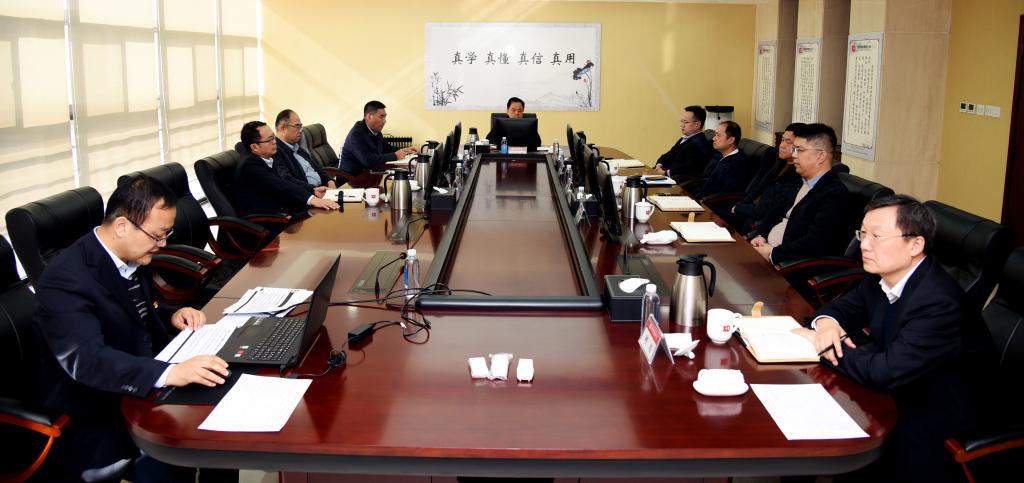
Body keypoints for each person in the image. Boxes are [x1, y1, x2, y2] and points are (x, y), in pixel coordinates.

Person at [33, 175, 232, 482]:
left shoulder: (129, 255)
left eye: (166, 234)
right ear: (123, 226)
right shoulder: (65, 279)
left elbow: (130, 311)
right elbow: (86, 360)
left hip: (143, 375)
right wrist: (169, 374)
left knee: (223, 421)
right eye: (157, 235)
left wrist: (172, 313)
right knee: (187, 442)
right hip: (99, 407)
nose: (162, 244)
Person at [798, 194, 994, 483]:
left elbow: (884, 372)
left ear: (915, 245)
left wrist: (823, 344)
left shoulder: (938, 303)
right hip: (900, 385)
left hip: (938, 413)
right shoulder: (882, 275)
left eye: (877, 236)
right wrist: (826, 324)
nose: (864, 245)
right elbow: (845, 308)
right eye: (863, 234)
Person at [749, 123, 851, 264]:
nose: (794, 155)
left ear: (821, 156)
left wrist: (773, 254)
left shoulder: (834, 195)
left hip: (789, 265)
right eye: (794, 149)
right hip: (768, 251)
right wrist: (761, 235)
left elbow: (815, 243)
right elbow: (774, 213)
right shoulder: (799, 182)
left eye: (799, 150)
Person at [234, 120, 340, 216]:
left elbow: (286, 181)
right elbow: (280, 185)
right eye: (270, 139)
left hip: (283, 210)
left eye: (273, 137)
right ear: (254, 147)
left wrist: (313, 190)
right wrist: (313, 200)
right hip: (268, 220)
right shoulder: (250, 164)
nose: (275, 141)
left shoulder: (266, 156)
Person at [721, 122, 805, 232]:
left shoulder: (797, 176)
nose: (782, 145)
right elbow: (756, 190)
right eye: (782, 140)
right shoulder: (777, 163)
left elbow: (767, 209)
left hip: (755, 223)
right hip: (747, 211)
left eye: (788, 142)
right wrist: (739, 206)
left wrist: (738, 208)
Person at [338, 100, 418, 179]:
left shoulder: (376, 130)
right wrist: (395, 155)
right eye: (381, 116)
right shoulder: (356, 134)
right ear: (369, 116)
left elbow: (387, 148)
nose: (385, 121)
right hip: (352, 179)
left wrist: (405, 150)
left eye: (385, 116)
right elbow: (367, 160)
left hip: (370, 174)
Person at [274, 109, 336, 189]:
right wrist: (313, 190)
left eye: (301, 126)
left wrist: (330, 181)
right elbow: (288, 181)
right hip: (310, 194)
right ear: (283, 128)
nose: (301, 130)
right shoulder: (275, 151)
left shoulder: (296, 146)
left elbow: (317, 167)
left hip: (324, 189)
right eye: (297, 126)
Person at [693, 120, 754, 200]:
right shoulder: (719, 156)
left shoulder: (737, 164)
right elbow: (705, 179)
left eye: (718, 135)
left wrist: (698, 200)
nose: (714, 138)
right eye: (715, 135)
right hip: (700, 196)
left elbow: (724, 194)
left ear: (731, 140)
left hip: (711, 203)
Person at [653, 105, 715, 178]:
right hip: (665, 174)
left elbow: (688, 168)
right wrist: (659, 165)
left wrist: (665, 173)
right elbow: (669, 154)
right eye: (682, 121)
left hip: (677, 180)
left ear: (697, 124)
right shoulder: (684, 138)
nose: (682, 125)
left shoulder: (699, 144)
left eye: (686, 122)